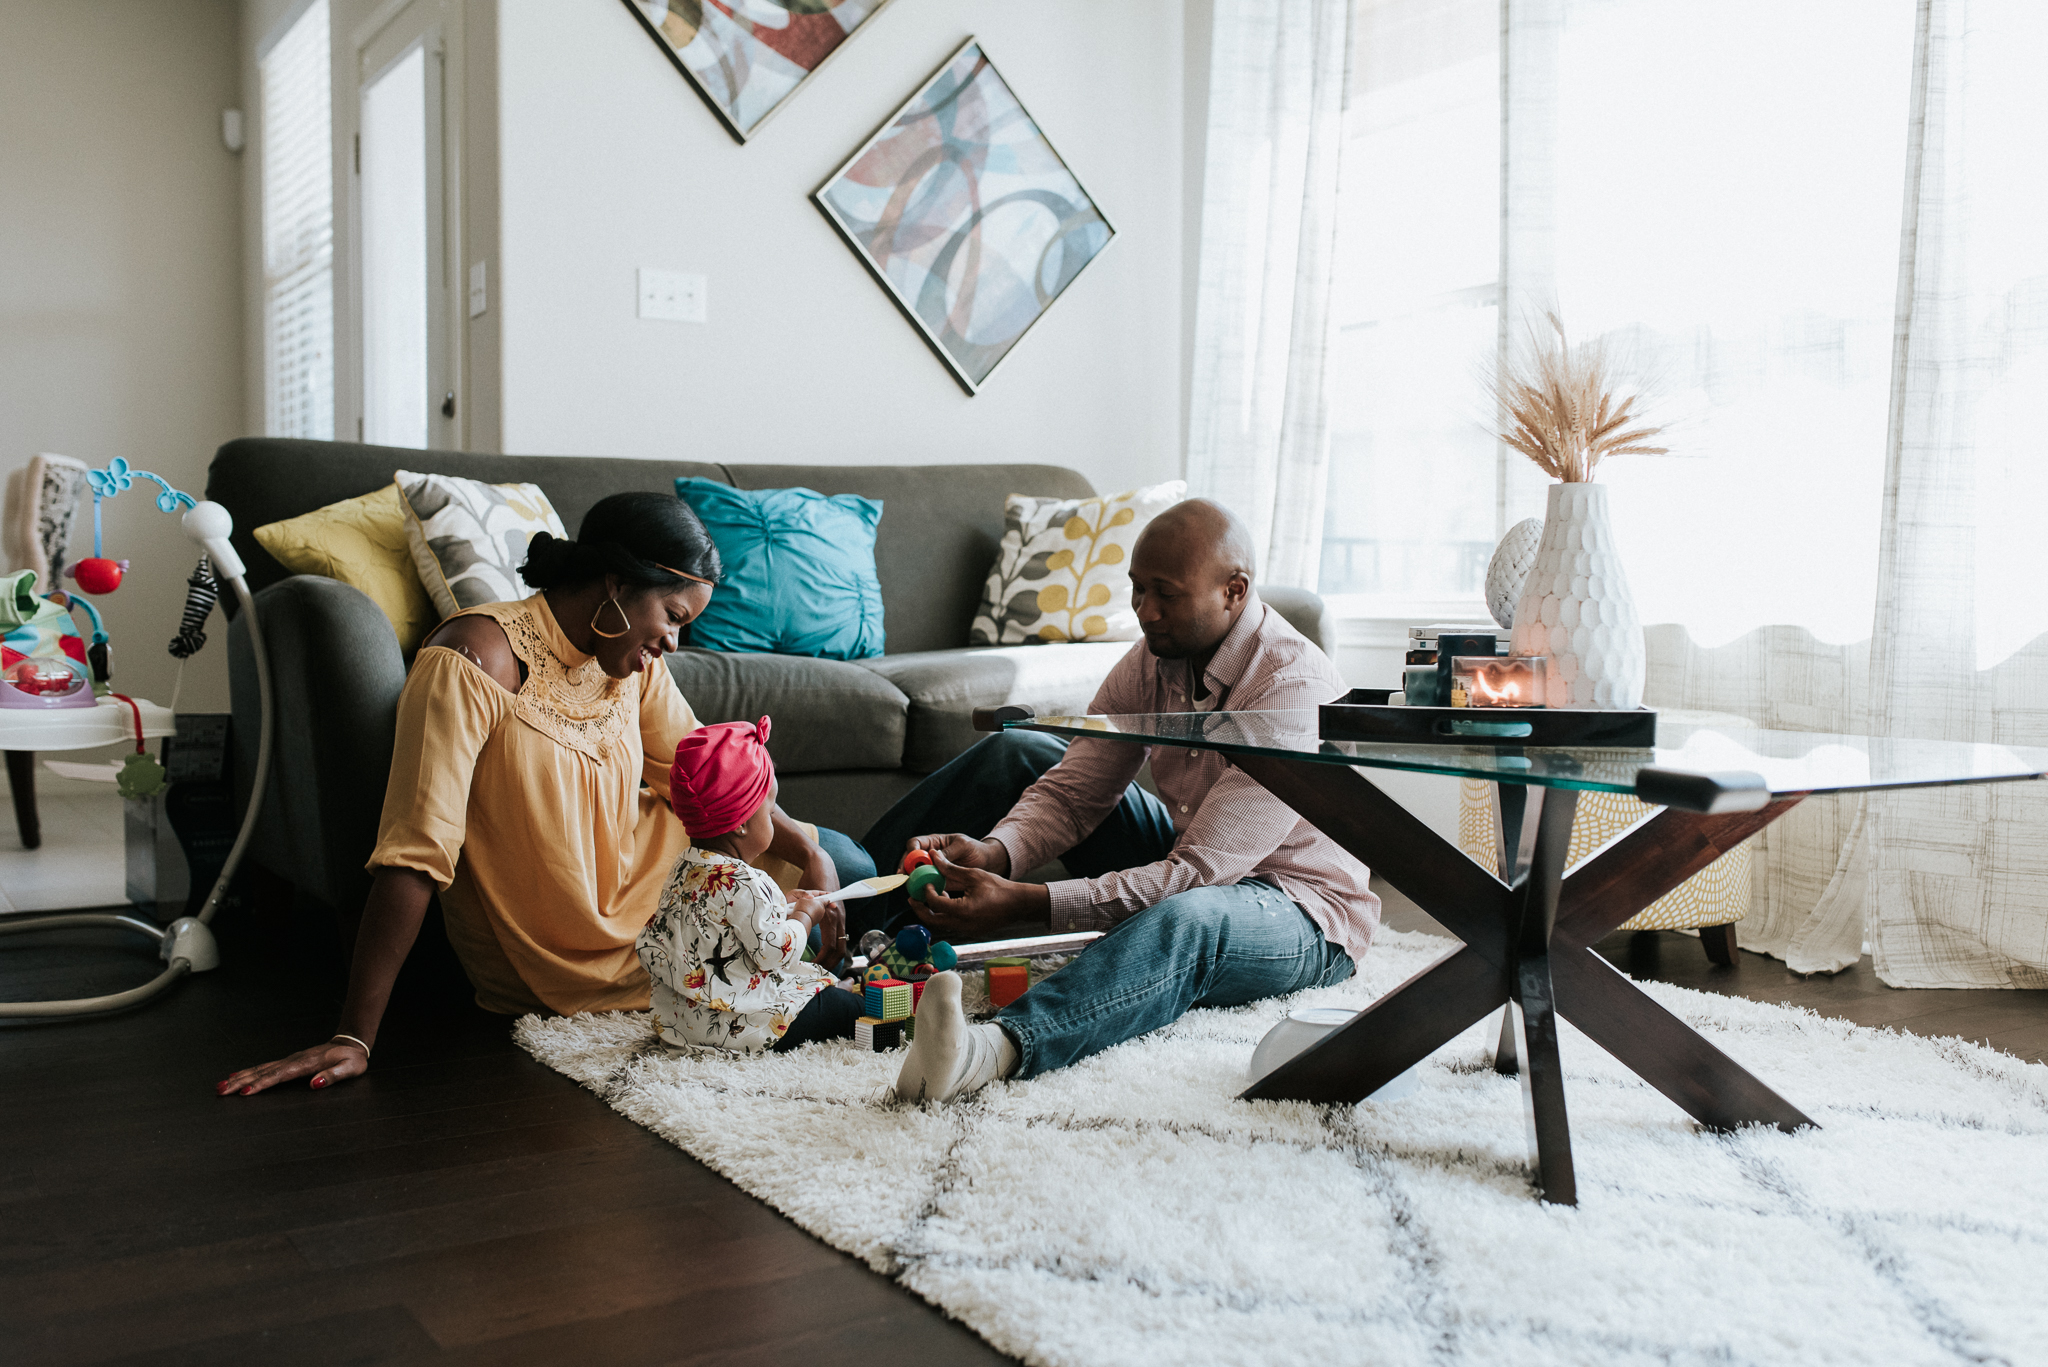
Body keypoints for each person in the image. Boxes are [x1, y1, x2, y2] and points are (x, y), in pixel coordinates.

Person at [217, 493, 874, 1096]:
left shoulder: (631, 666)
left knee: (847, 864)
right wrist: (354, 1034)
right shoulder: (471, 662)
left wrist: (807, 852)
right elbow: (414, 853)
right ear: (616, 584)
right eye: (673, 616)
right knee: (838, 891)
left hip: (668, 886)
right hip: (575, 953)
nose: (674, 641)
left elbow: (715, 779)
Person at [867, 498, 1378, 1104]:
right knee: (1022, 751)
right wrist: (996, 854)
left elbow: (1194, 881)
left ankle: (992, 1051)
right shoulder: (1152, 659)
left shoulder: (1290, 689)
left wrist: (1028, 902)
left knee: (1193, 916)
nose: (1145, 612)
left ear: (1234, 591)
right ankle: (838, 919)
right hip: (1192, 855)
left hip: (1301, 910)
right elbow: (1075, 790)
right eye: (1137, 591)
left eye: (1165, 594)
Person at [639, 716, 864, 1054]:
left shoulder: (682, 868)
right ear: (742, 823)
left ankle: (828, 990)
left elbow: (724, 927)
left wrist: (783, 905)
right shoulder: (748, 882)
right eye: (770, 808)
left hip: (680, 1023)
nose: (774, 816)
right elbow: (777, 953)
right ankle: (841, 998)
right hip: (739, 1027)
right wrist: (805, 916)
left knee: (801, 982)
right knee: (848, 1010)